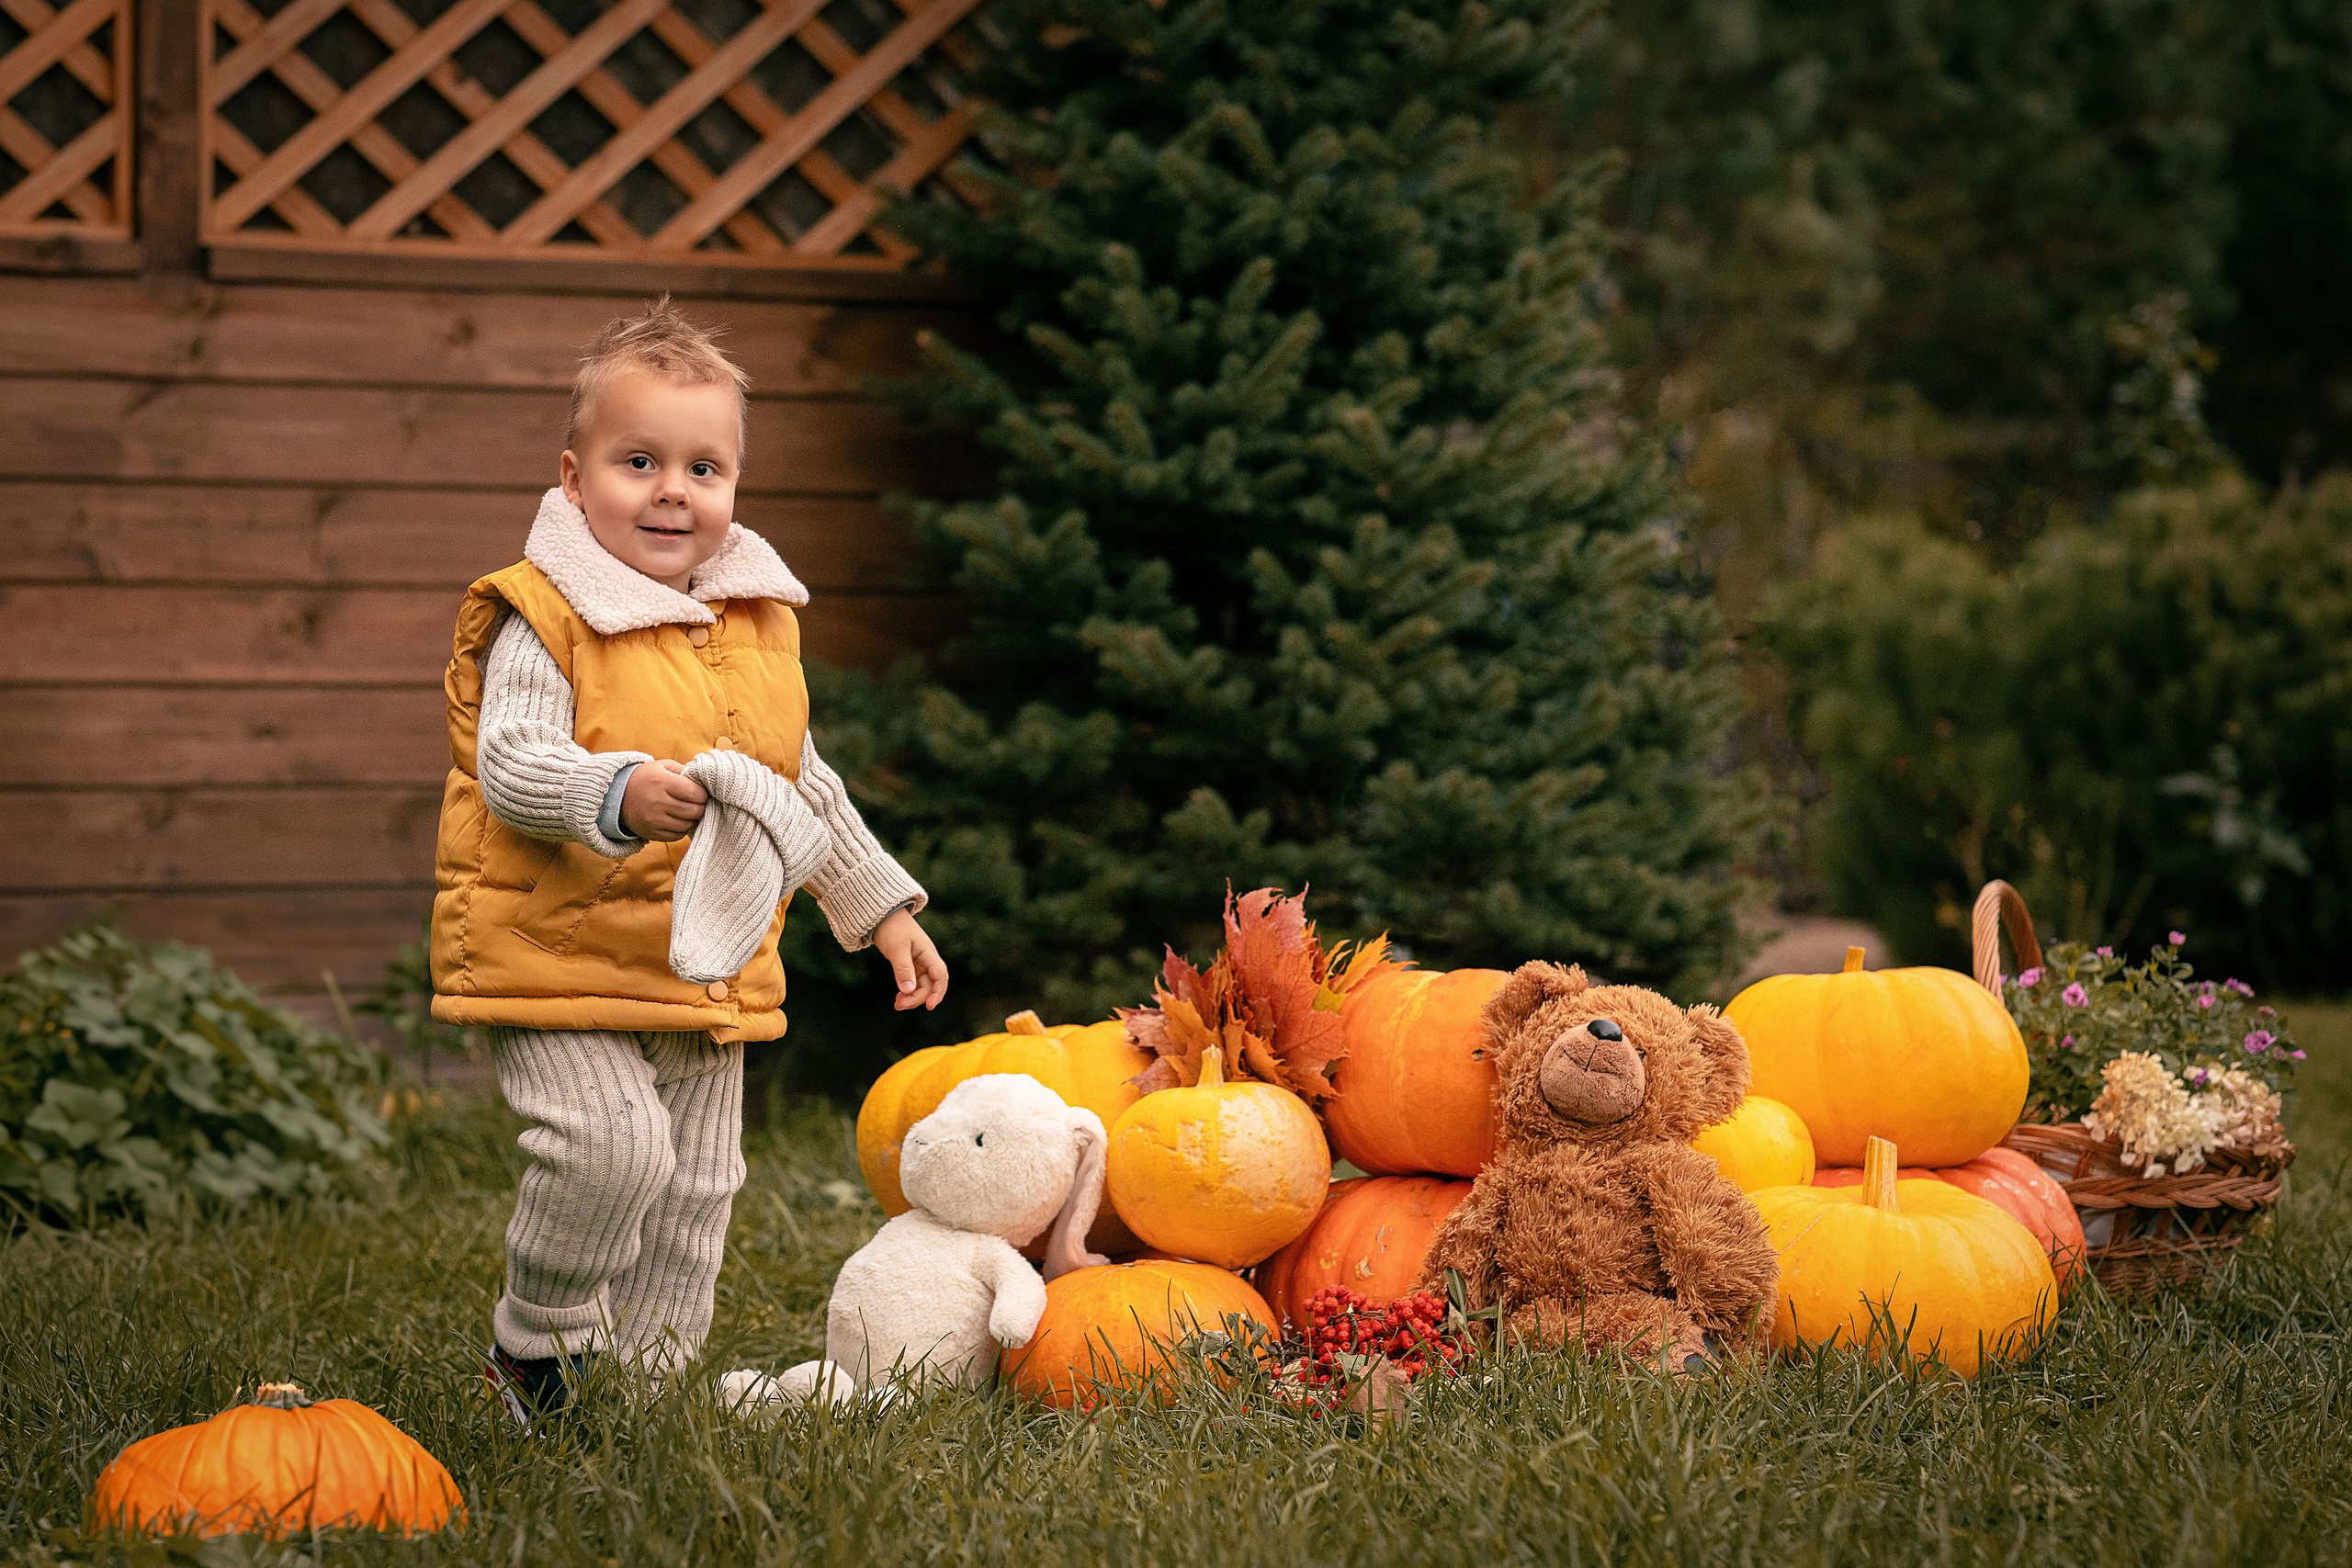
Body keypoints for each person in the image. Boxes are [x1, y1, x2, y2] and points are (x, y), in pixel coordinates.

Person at [428, 297, 948, 1421]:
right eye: (639, 460)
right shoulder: (544, 616)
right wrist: (614, 790)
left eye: (704, 467)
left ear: (733, 489)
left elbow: (798, 785)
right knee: (611, 1151)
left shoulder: (756, 626)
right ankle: (540, 1347)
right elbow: (509, 762)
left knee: (697, 1187)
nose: (674, 489)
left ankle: (644, 1393)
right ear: (573, 479)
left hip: (705, 960)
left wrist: (879, 908)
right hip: (556, 951)